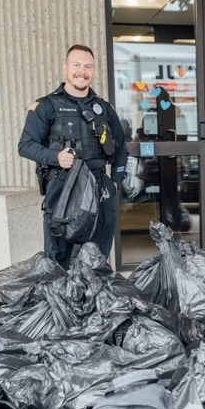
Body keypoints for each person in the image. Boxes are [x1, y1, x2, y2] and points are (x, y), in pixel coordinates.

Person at [18, 44, 128, 269]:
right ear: (65, 68)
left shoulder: (104, 109)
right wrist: (54, 156)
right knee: (59, 260)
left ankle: (93, 300)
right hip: (62, 186)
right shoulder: (45, 106)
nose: (82, 71)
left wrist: (115, 183)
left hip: (100, 187)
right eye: (77, 65)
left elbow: (121, 149)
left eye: (88, 66)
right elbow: (25, 145)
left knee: (97, 258)